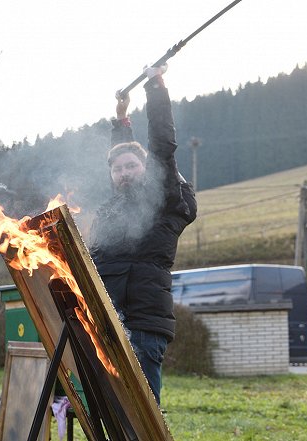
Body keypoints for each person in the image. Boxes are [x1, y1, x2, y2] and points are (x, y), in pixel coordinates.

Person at [88, 64, 197, 405]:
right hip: (106, 321)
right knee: (107, 414)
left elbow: (162, 145)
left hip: (142, 325)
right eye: (117, 170)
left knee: (141, 415)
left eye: (132, 166)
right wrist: (121, 120)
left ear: (147, 169)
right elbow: (122, 154)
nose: (123, 173)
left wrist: (156, 87)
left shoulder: (162, 198)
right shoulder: (114, 209)